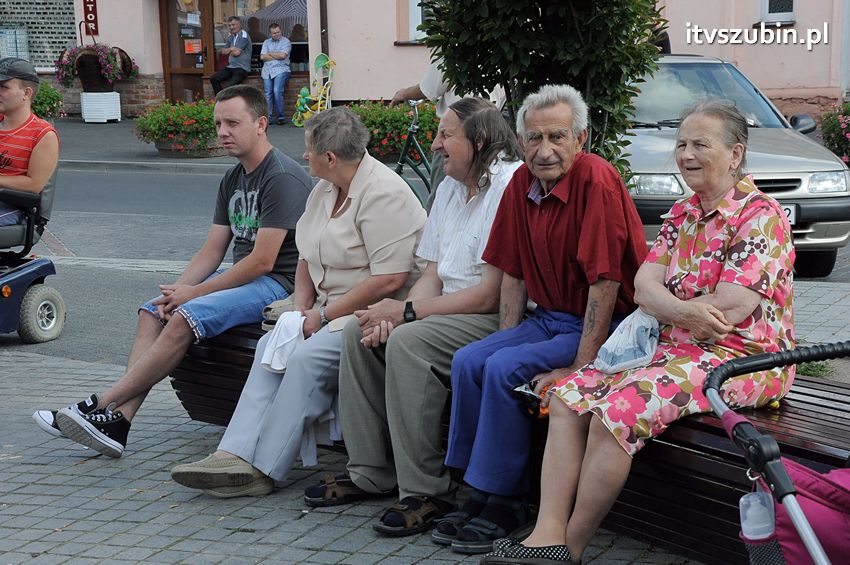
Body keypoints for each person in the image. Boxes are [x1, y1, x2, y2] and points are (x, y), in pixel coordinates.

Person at [484, 100, 796, 565]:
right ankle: (545, 536)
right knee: (570, 398)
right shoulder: (683, 212)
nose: (686, 154)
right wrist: (680, 312)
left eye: (700, 145)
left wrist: (667, 307)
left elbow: (733, 307)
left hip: (743, 358)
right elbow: (642, 285)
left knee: (617, 413)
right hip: (674, 348)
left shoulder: (760, 216)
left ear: (735, 154)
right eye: (682, 144)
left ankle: (569, 551)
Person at [32, 85, 312, 457]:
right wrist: (177, 290)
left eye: (232, 123)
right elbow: (212, 251)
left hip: (278, 284)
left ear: (261, 124)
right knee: (153, 311)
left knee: (185, 316)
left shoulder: (281, 177)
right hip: (247, 277)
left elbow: (262, 261)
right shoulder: (233, 178)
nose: (223, 132)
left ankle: (98, 403)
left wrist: (193, 295)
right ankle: (120, 423)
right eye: (218, 124)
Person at [169, 107, 427, 498]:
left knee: (306, 360)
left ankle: (262, 470)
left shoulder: (385, 194)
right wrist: (299, 311)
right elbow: (306, 255)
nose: (303, 156)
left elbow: (388, 280)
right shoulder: (324, 188)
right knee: (272, 348)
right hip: (322, 308)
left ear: (330, 158)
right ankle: (231, 453)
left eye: (309, 150)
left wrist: (321, 317)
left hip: (371, 313)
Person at [301, 97, 523, 535]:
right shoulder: (449, 188)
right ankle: (370, 472)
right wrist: (395, 313)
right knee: (358, 333)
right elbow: (433, 273)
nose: (435, 144)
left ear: (478, 141)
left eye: (446, 135)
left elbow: (490, 296)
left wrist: (406, 313)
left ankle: (427, 492)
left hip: (491, 316)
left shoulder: (507, 188)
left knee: (407, 343)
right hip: (444, 310)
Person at [442, 84, 648, 554]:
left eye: (557, 136)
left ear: (581, 139)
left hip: (608, 326)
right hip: (549, 319)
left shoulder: (595, 178)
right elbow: (512, 272)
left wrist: (583, 369)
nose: (545, 149)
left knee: (500, 369)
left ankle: (508, 499)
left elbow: (607, 284)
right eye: (534, 139)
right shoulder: (522, 183)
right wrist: (507, 338)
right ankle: (474, 488)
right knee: (472, 360)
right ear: (520, 143)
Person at [390, 59, 461, 208]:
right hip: (487, 124)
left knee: (440, 195)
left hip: (456, 130)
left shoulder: (454, 48)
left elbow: (429, 87)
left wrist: (403, 94)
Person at [0, 57, 60, 226]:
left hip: (16, 208)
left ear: (26, 93)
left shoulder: (43, 134)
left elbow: (34, 185)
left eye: (3, 87)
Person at [260, 23, 292, 126]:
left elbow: (283, 56)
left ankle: (280, 117)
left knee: (277, 91)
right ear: (270, 33)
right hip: (267, 70)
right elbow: (262, 57)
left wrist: (269, 53)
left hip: (281, 69)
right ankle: (268, 118)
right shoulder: (266, 42)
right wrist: (276, 55)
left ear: (281, 31)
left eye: (278, 32)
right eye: (274, 33)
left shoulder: (286, 41)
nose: (276, 34)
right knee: (268, 93)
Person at [210, 16, 252, 94]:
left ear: (239, 24)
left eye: (233, 25)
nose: (231, 27)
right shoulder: (231, 37)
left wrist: (230, 50)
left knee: (229, 86)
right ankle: (220, 100)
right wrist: (231, 49)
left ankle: (225, 100)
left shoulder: (244, 35)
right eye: (229, 25)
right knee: (214, 78)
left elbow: (236, 53)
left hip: (242, 68)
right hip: (231, 67)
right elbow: (223, 52)